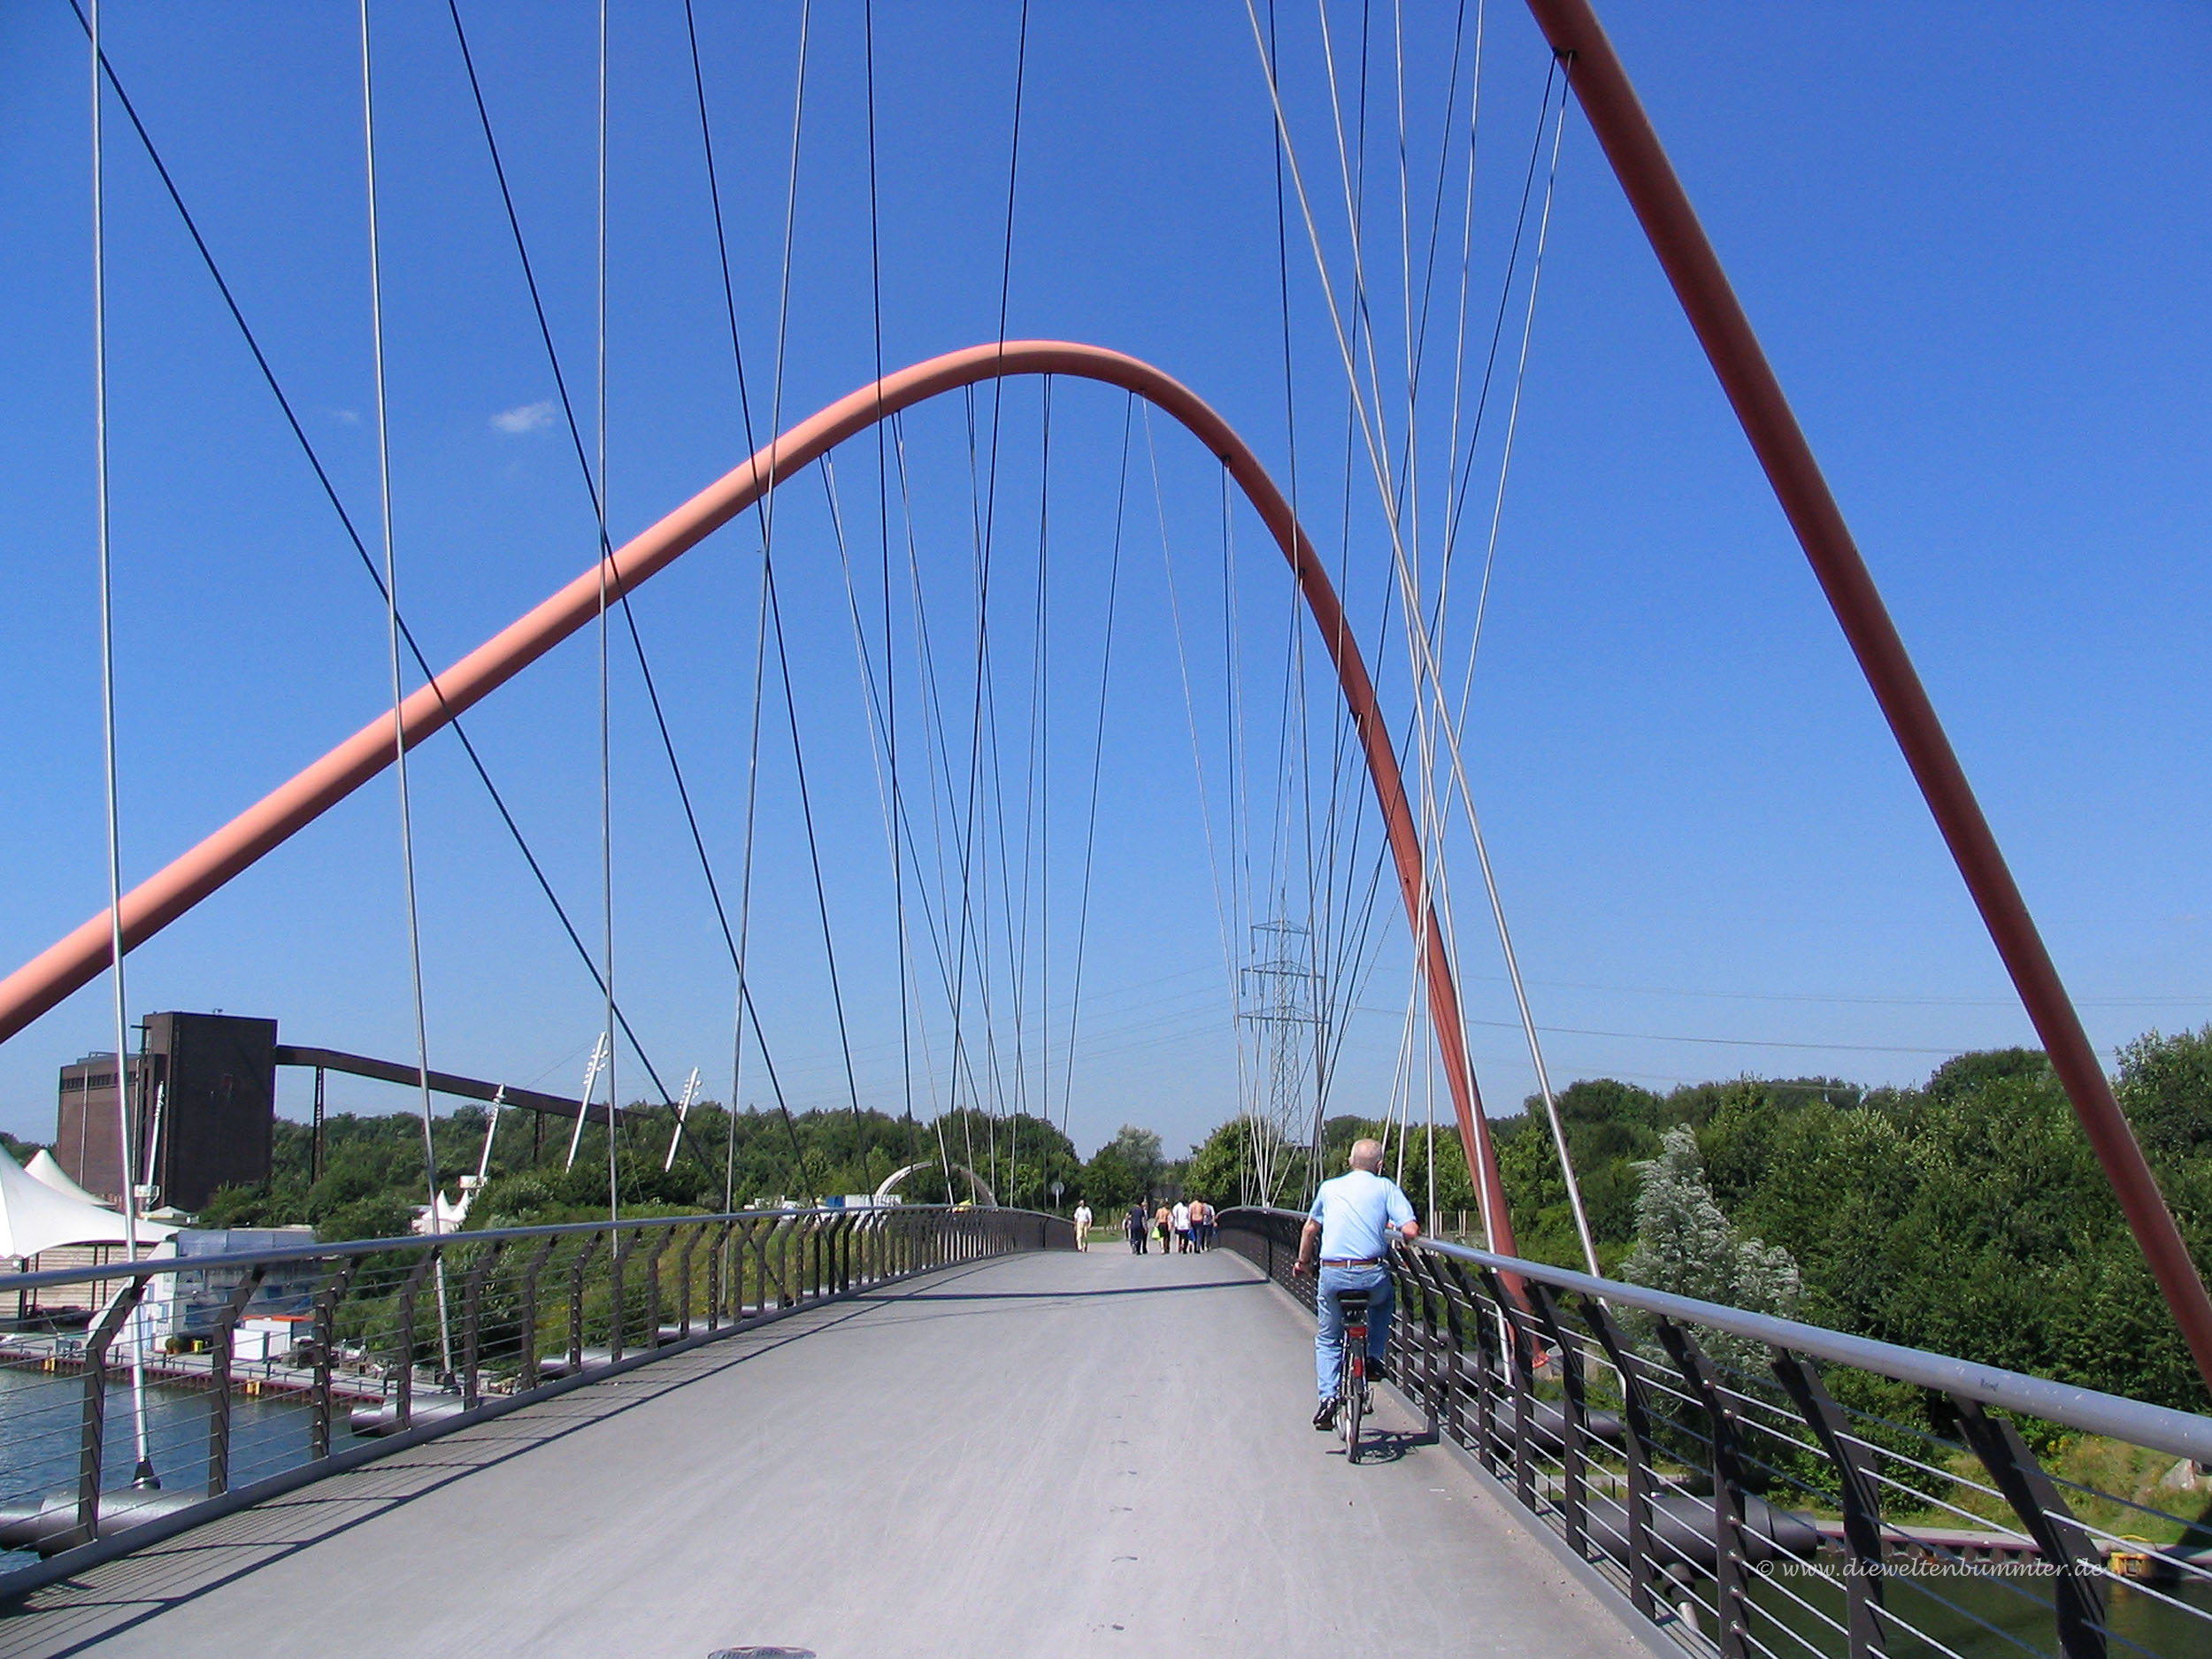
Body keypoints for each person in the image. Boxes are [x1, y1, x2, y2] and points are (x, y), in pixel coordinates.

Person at [1293, 1138, 1419, 1431]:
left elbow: (1310, 1229)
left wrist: (1303, 1263)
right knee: (1384, 1301)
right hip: (1370, 1272)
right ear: (1379, 1165)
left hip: (1333, 1274)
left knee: (1328, 1338)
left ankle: (1327, 1398)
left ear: (1350, 1161)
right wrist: (1398, 1227)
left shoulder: (1329, 1188)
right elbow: (1411, 1229)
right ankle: (1374, 1356)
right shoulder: (1386, 1187)